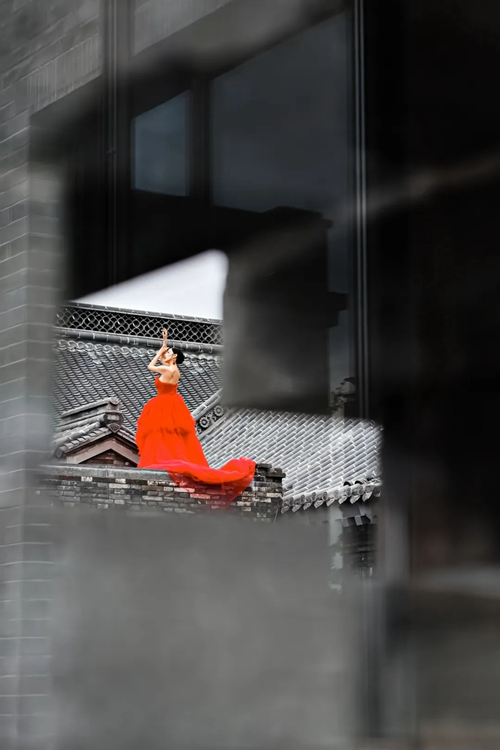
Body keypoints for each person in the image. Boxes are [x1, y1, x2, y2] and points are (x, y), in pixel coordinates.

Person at [135, 329, 256, 504]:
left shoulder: (167, 370)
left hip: (162, 405)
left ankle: (161, 459)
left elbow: (151, 366)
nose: (165, 355)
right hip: (174, 404)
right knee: (171, 434)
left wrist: (160, 353)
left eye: (169, 353)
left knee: (161, 433)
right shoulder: (174, 370)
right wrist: (164, 345)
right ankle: (168, 457)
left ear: (174, 357)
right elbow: (163, 361)